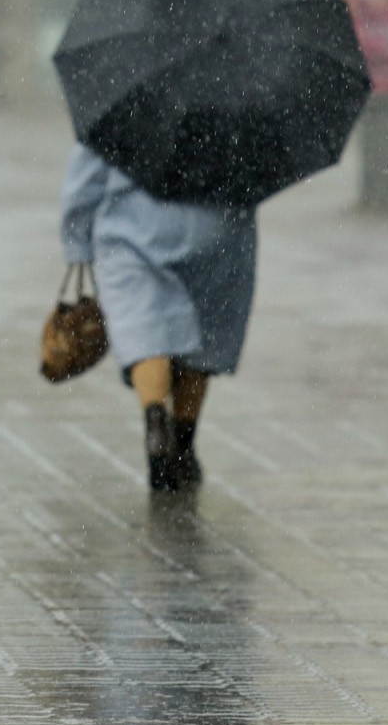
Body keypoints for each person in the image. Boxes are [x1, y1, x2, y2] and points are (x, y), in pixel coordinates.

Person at [59, 144, 257, 492]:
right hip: (215, 225)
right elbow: (257, 174)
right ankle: (184, 440)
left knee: (144, 327)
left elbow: (85, 178)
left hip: (134, 229)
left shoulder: (122, 113)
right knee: (204, 333)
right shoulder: (234, 114)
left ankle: (155, 419)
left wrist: (77, 240)